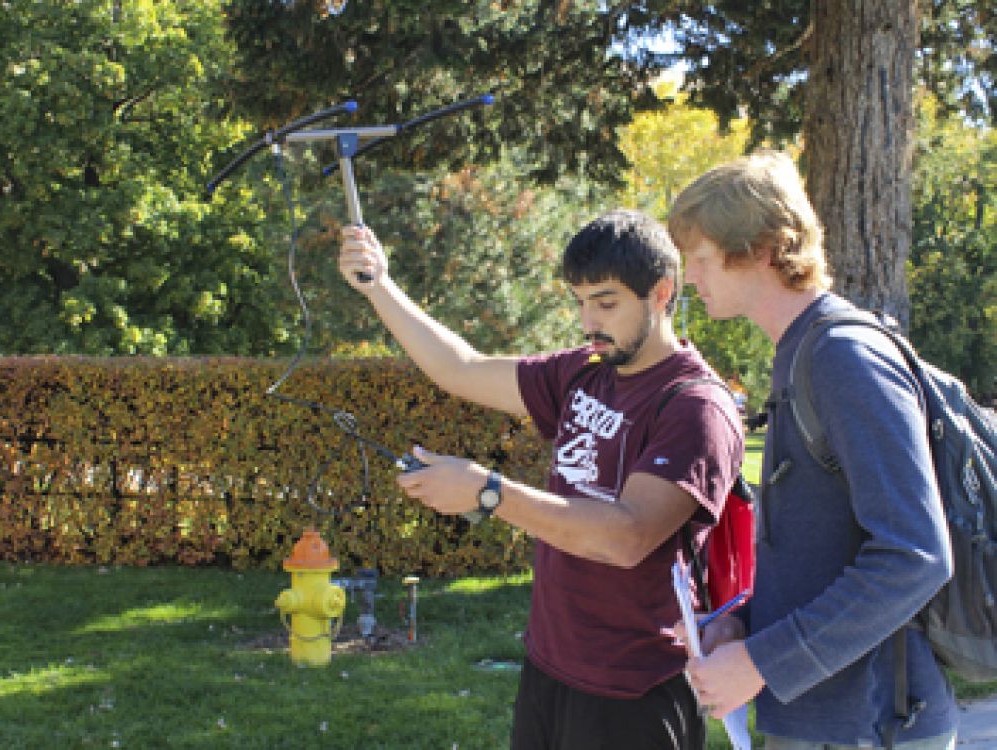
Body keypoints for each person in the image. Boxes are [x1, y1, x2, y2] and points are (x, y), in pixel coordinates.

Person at [338, 209, 744, 750]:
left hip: (635, 689)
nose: (589, 322)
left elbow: (626, 536)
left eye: (606, 303)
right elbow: (460, 368)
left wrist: (489, 492)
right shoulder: (583, 370)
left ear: (662, 292)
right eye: (580, 302)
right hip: (550, 667)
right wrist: (379, 286)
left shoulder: (696, 406)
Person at [667, 151, 958, 749]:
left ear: (761, 250)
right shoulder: (800, 352)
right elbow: (823, 550)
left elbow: (916, 555)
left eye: (701, 257)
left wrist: (763, 661)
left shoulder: (843, 358)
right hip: (824, 722)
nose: (690, 277)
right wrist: (743, 623)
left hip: (875, 725)